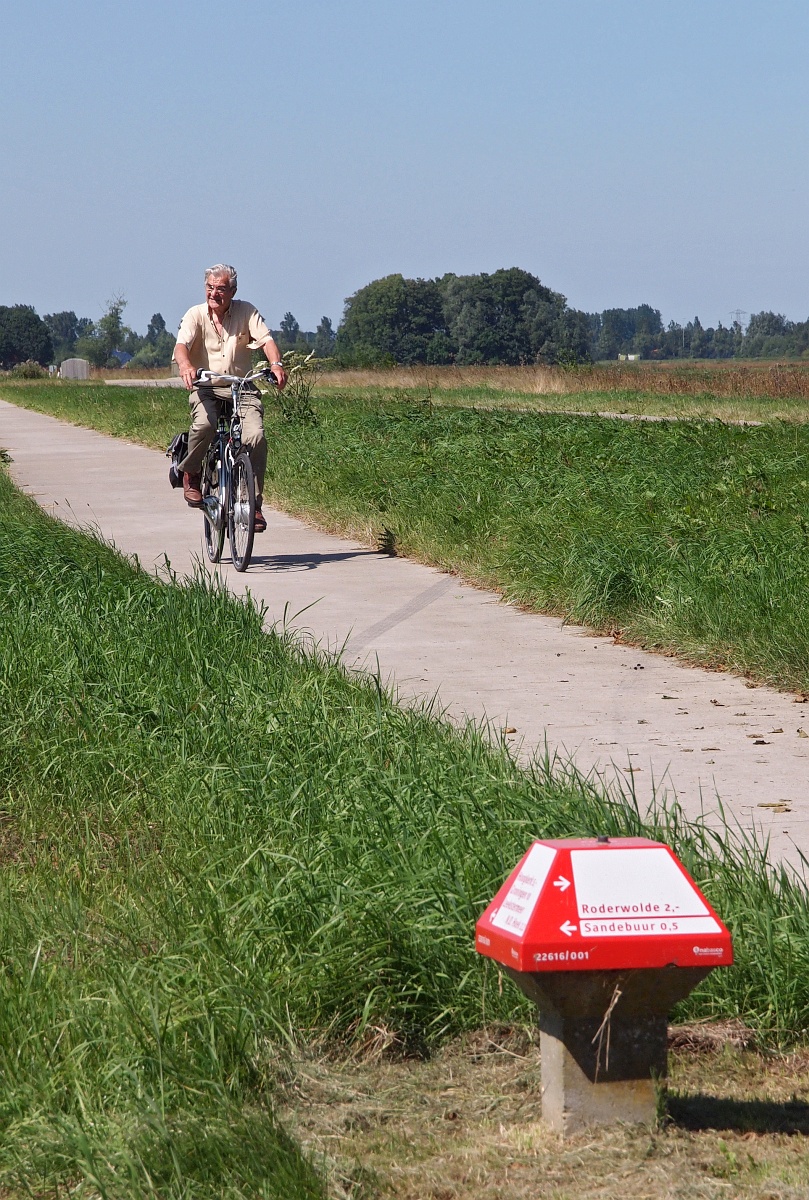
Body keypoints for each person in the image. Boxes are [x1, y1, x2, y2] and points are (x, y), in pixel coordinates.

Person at [173, 263, 287, 533]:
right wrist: (186, 366)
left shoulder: (247, 311)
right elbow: (181, 346)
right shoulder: (195, 314)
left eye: (221, 289)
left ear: (233, 291)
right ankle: (191, 472)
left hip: (241, 387)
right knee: (205, 425)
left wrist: (276, 365)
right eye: (210, 287)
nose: (214, 293)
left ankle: (252, 504)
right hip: (207, 387)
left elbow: (267, 340)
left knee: (255, 436)